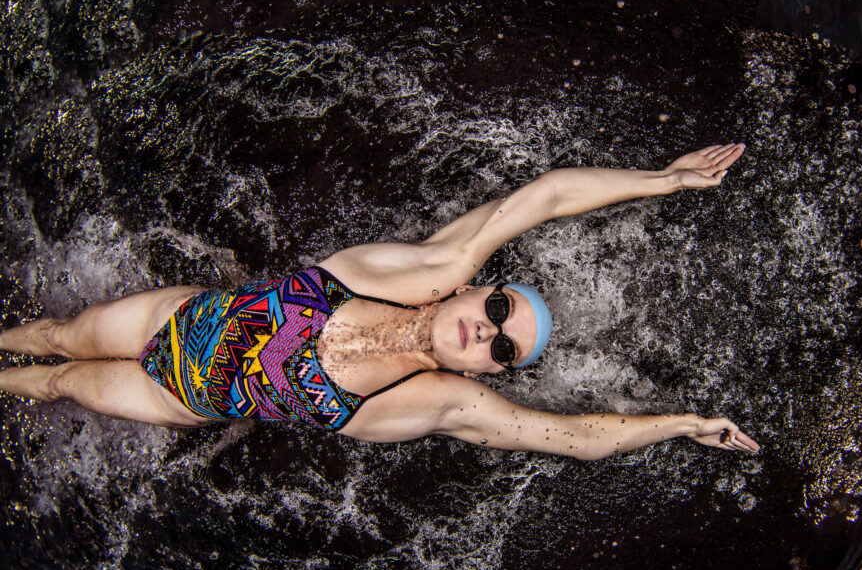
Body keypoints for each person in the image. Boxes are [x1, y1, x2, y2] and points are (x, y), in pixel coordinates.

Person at [0, 143, 759, 458]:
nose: (486, 332)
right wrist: (665, 180)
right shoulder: (429, 267)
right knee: (60, 334)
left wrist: (682, 424)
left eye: (503, 348)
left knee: (61, 380)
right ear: (477, 286)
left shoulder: (445, 403)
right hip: (177, 316)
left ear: (491, 373)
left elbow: (575, 436)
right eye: (499, 309)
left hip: (179, 395)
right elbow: (550, 194)